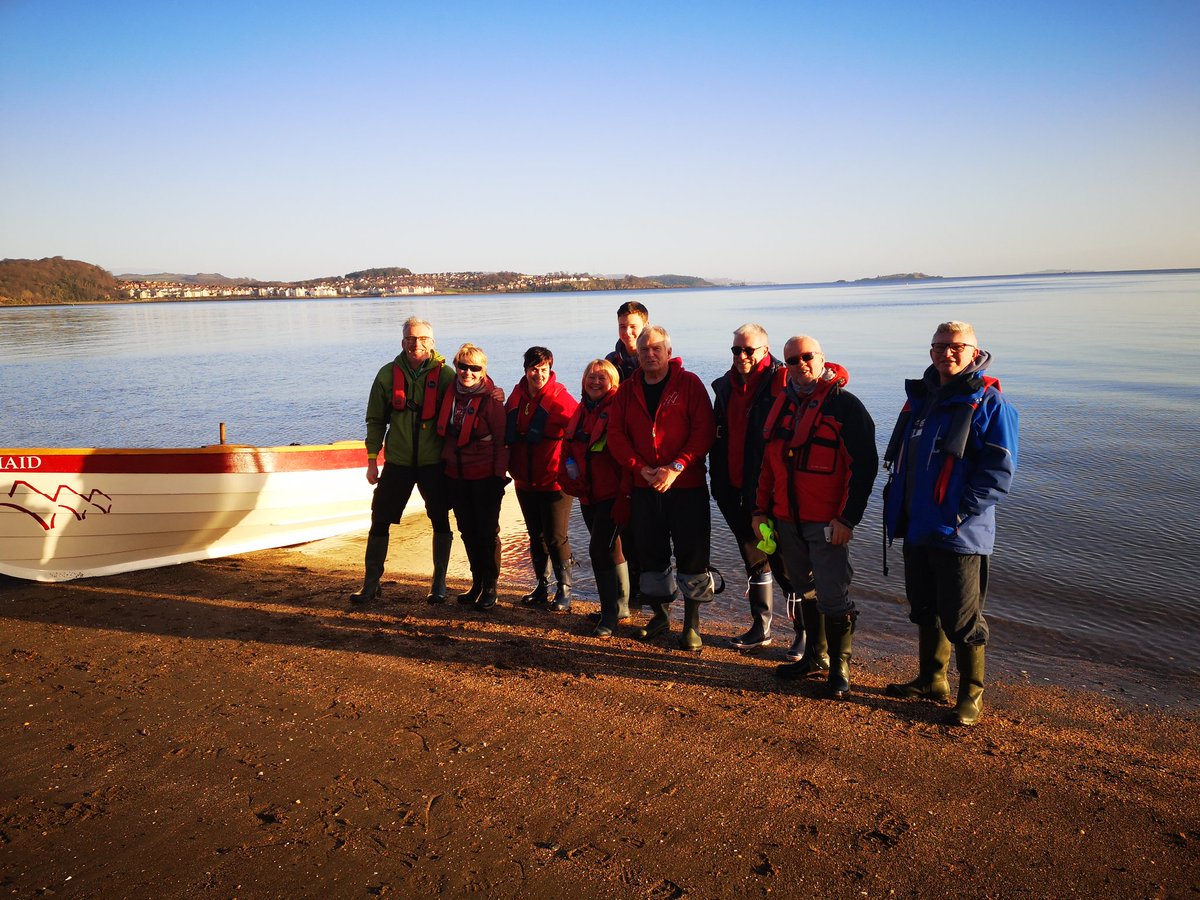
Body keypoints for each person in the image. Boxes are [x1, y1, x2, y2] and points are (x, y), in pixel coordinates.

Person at [882, 321, 1018, 726]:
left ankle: (970, 695)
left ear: (975, 353)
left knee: (962, 618)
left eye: (957, 347)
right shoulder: (920, 400)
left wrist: (959, 514)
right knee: (924, 608)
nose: (948, 353)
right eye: (940, 347)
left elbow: (999, 474)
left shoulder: (991, 405)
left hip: (961, 534)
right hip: (918, 525)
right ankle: (931, 679)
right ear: (931, 353)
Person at [753, 335, 877, 698]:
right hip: (785, 520)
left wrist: (848, 519)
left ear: (822, 359)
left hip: (827, 523)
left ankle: (840, 669)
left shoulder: (846, 407)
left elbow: (864, 468)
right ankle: (814, 656)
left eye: (807, 357)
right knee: (803, 590)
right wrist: (761, 509)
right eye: (792, 360)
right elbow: (768, 466)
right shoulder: (781, 407)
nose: (801, 364)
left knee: (833, 596)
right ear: (785, 365)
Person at [608, 325, 717, 650]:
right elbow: (616, 435)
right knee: (651, 554)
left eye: (656, 349)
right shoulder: (628, 390)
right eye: (644, 350)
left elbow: (704, 430)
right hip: (644, 486)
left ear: (669, 352)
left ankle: (692, 624)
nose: (650, 354)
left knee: (692, 555)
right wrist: (639, 468)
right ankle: (660, 616)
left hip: (686, 487)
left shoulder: (689, 384)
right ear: (637, 355)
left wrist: (677, 467)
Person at [710, 324, 804, 655]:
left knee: (786, 564)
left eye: (749, 350)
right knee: (754, 559)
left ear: (766, 350)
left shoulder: (782, 382)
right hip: (731, 490)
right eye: (737, 350)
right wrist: (718, 484)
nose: (742, 356)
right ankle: (761, 627)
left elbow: (815, 392)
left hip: (769, 493)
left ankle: (803, 633)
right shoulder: (725, 386)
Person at [353, 316, 456, 605]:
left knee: (440, 519)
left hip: (432, 463)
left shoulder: (446, 375)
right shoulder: (387, 375)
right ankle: (371, 583)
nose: (416, 344)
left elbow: (472, 396)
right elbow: (375, 420)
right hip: (397, 461)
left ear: (432, 343)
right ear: (402, 343)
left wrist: (494, 392)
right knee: (380, 519)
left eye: (423, 339)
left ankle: (439, 584)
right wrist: (372, 459)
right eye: (411, 339)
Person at [559, 359, 630, 637]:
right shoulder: (582, 409)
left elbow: (625, 457)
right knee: (612, 548)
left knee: (598, 550)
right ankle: (621, 607)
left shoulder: (618, 410)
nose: (595, 381)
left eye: (602, 377)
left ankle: (609, 616)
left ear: (613, 382)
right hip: (589, 495)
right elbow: (570, 449)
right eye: (591, 376)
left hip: (612, 495)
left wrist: (626, 496)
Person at [506, 346, 579, 611]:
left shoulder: (562, 399)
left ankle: (565, 590)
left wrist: (575, 468)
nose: (539, 375)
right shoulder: (516, 396)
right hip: (524, 482)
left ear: (551, 369)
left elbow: (582, 428)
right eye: (534, 369)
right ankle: (541, 586)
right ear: (525, 370)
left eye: (544, 369)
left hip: (554, 483)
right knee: (535, 537)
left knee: (556, 537)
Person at [438, 343, 508, 610]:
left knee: (487, 532)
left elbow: (502, 442)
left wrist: (498, 477)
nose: (467, 372)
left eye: (474, 368)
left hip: (485, 477)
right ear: (456, 367)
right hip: (455, 475)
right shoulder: (449, 392)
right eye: (463, 366)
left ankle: (491, 586)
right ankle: (477, 582)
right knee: (467, 531)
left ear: (483, 371)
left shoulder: (492, 401)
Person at [604, 300, 648, 382]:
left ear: (645, 326)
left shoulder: (654, 359)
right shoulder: (612, 361)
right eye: (622, 326)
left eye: (633, 326)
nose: (627, 332)